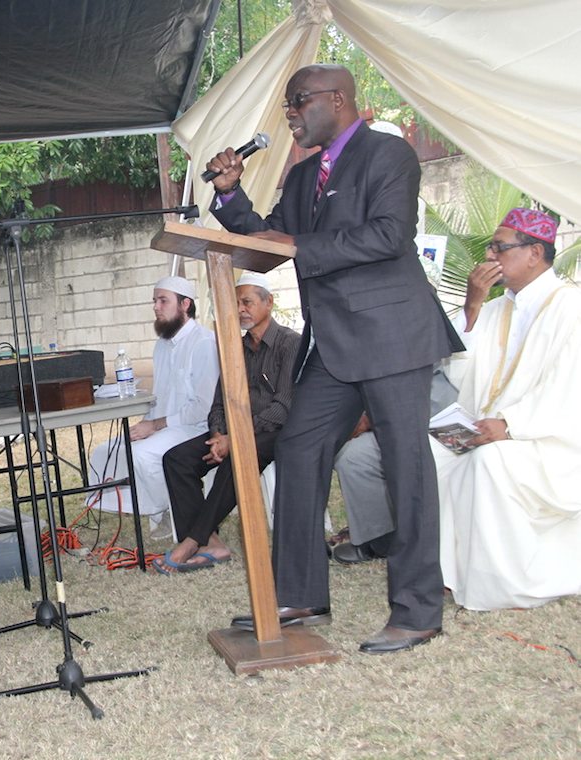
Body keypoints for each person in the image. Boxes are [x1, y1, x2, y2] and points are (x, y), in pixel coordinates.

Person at [206, 64, 462, 654]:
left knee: (406, 465)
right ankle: (299, 594)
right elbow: (267, 242)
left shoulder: (387, 156)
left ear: (338, 100)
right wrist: (229, 194)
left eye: (298, 102)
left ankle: (418, 609)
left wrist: (301, 245)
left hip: (393, 335)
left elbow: (388, 236)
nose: (290, 113)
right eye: (288, 104)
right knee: (297, 447)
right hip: (336, 345)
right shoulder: (300, 179)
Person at [433, 208, 581, 610]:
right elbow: (462, 374)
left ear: (535, 253)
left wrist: (511, 425)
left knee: (491, 463)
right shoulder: (497, 309)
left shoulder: (572, 307)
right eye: (490, 247)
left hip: (551, 442)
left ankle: (502, 582)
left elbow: (570, 387)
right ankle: (448, 572)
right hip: (491, 430)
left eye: (500, 247)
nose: (490, 256)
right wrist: (473, 305)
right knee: (430, 454)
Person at [156, 272, 300, 573]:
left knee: (239, 456)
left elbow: (283, 407)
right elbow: (219, 401)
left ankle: (191, 541)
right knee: (177, 459)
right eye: (236, 304)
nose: (241, 309)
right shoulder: (236, 347)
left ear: (268, 302)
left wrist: (235, 440)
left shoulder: (289, 343)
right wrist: (220, 433)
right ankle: (213, 544)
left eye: (247, 302)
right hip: (236, 432)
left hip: (279, 433)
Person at [86, 276, 219, 538]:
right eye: (154, 301)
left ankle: (172, 509)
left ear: (185, 304)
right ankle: (156, 509)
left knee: (142, 455)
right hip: (164, 423)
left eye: (163, 301)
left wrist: (154, 426)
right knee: (107, 452)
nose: (156, 307)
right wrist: (145, 423)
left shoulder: (204, 343)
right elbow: (162, 395)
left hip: (195, 428)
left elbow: (204, 407)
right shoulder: (162, 345)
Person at [331, 365, 458, 564]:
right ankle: (377, 539)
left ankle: (432, 548)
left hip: (450, 422)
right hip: (408, 419)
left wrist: (372, 420)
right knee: (353, 456)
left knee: (419, 458)